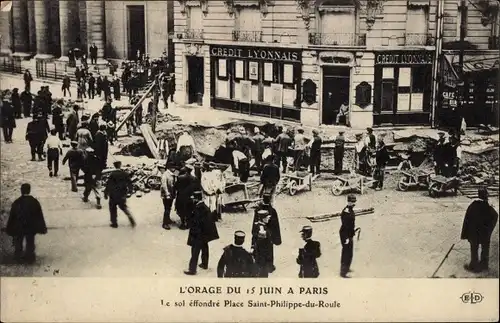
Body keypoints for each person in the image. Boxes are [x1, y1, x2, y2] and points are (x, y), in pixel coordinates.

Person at [5, 183, 47, 264]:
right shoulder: (34, 202)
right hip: (31, 226)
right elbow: (39, 215)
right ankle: (30, 256)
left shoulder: (17, 202)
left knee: (18, 240)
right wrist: (42, 227)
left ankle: (18, 255)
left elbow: (12, 216)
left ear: (21, 191)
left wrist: (10, 227)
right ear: (29, 190)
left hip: (19, 226)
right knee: (30, 241)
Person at [461, 187, 498, 273]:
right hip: (485, 232)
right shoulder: (487, 206)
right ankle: (484, 264)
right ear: (486, 195)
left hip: (474, 233)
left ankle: (474, 265)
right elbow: (495, 216)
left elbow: (467, 219)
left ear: (478, 195)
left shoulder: (473, 205)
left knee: (474, 248)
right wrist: (490, 229)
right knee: (485, 248)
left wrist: (466, 233)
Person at [184, 191, 219, 275]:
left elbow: (196, 223)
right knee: (204, 247)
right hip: (205, 232)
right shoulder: (204, 206)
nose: (192, 200)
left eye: (193, 199)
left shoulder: (198, 209)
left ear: (196, 199)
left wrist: (194, 235)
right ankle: (204, 264)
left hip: (199, 233)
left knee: (195, 251)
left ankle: (192, 270)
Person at [253, 194, 281, 273]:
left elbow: (254, 224)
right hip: (269, 235)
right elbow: (276, 225)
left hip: (259, 234)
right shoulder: (272, 210)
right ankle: (269, 266)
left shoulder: (258, 210)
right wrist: (277, 239)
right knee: (268, 251)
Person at [104, 161, 136, 228]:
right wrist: (130, 191)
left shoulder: (112, 174)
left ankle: (114, 223)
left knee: (113, 209)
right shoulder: (125, 173)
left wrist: (105, 193)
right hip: (122, 194)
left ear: (114, 166)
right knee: (124, 207)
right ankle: (131, 218)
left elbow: (108, 184)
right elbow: (130, 183)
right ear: (120, 165)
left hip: (113, 195)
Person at [251, 210, 274, 278]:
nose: (268, 219)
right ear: (263, 219)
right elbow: (262, 244)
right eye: (267, 217)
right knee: (263, 274)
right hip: (263, 257)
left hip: (260, 256)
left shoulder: (258, 225)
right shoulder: (262, 228)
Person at [340, 194, 357, 278]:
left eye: (354, 202)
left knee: (350, 253)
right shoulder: (346, 211)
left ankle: (347, 268)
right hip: (345, 235)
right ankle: (343, 272)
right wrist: (346, 238)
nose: (354, 203)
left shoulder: (350, 209)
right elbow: (345, 225)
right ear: (348, 202)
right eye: (352, 202)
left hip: (349, 234)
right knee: (346, 253)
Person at [160, 163, 176, 230]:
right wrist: (167, 194)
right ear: (169, 168)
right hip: (167, 195)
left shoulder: (172, 174)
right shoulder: (165, 175)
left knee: (169, 207)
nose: (174, 169)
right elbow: (164, 186)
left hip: (171, 193)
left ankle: (168, 219)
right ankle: (165, 223)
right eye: (173, 167)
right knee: (167, 208)